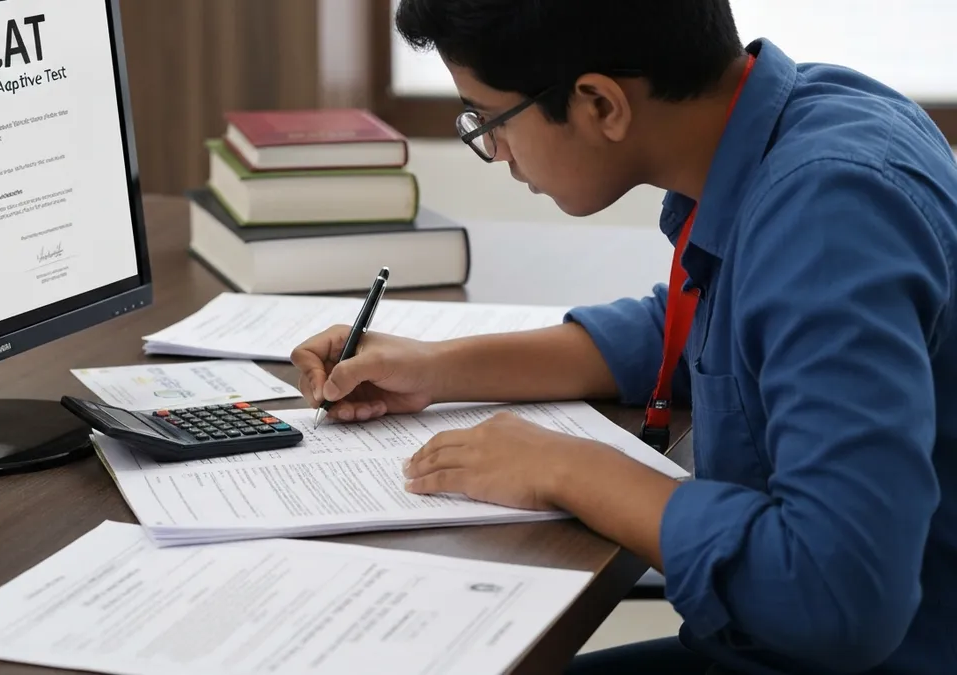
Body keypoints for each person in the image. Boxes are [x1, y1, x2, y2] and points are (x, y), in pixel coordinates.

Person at [288, 1, 957, 674]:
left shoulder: (828, 218)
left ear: (600, 104)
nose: (496, 152)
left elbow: (840, 597)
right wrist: (437, 367)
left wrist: (565, 467)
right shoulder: (797, 119)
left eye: (489, 119)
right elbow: (692, 330)